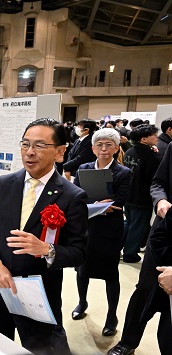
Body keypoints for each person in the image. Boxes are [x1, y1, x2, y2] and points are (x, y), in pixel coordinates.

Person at [0, 118, 88, 354]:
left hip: (39, 293)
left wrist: (47, 250)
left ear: (59, 152)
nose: (29, 152)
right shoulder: (4, 184)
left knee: (41, 348)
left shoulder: (71, 195)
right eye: (25, 144)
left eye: (39, 145)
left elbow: (79, 252)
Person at [108, 140, 172, 355]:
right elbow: (158, 183)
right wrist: (160, 200)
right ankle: (128, 342)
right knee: (144, 290)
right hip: (165, 234)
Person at [70, 128, 131, 337]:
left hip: (109, 230)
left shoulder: (124, 172)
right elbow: (76, 195)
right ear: (93, 148)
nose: (104, 149)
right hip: (87, 228)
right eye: (99, 145)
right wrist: (97, 205)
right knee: (82, 269)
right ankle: (82, 302)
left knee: (110, 274)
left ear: (116, 148)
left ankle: (112, 315)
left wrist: (104, 204)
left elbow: (121, 201)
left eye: (108, 145)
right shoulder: (84, 168)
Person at [122, 124, 160, 263]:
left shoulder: (129, 152)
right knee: (137, 227)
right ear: (144, 139)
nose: (156, 137)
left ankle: (119, 248)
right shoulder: (151, 157)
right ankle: (130, 254)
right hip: (142, 198)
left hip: (128, 195)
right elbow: (153, 179)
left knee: (129, 223)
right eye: (153, 135)